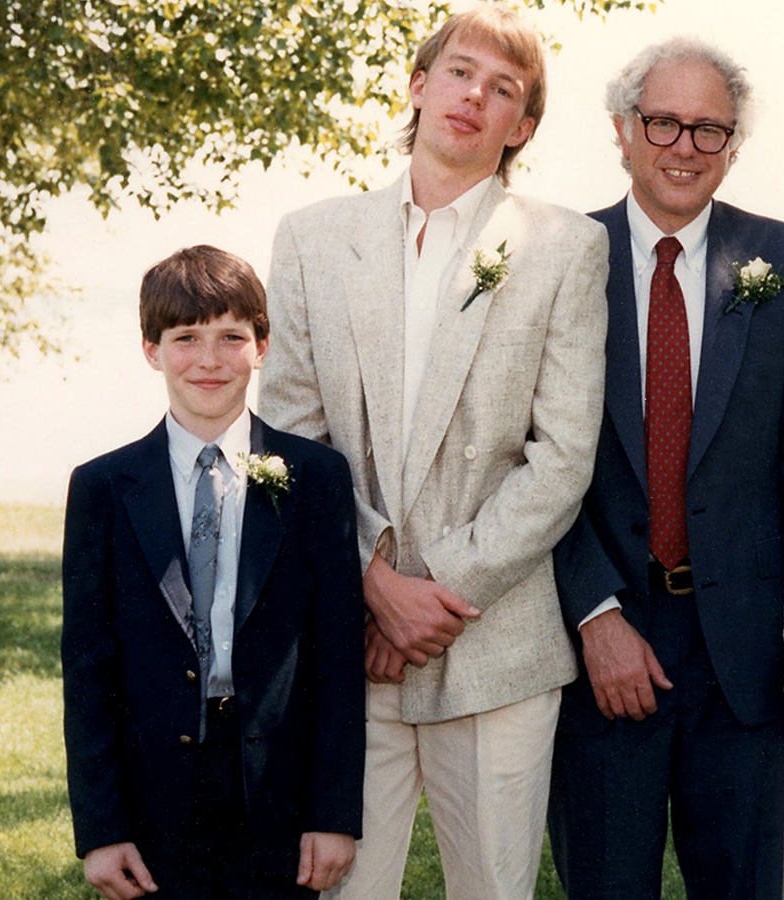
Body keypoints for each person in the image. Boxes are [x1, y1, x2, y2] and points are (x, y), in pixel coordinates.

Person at [259, 8, 609, 898]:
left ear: (520, 127)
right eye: (459, 73)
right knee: (342, 887)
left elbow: (562, 456)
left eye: (504, 91)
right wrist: (376, 584)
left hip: (495, 646)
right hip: (350, 642)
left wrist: (433, 599)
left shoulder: (566, 247)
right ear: (418, 86)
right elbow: (295, 441)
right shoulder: (312, 239)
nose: (474, 97)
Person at [548, 37, 784, 900]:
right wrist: (594, 614)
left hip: (744, 657)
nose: (685, 147)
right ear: (622, 129)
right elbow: (529, 457)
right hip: (605, 649)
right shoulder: (559, 254)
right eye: (664, 123)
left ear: (733, 145)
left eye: (709, 130)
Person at [62, 245, 365, 900]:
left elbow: (336, 659)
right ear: (150, 347)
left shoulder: (315, 477)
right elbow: (88, 668)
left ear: (262, 345)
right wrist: (100, 828)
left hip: (276, 795)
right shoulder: (104, 487)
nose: (208, 360)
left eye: (232, 337)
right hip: (152, 800)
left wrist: (334, 817)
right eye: (185, 338)